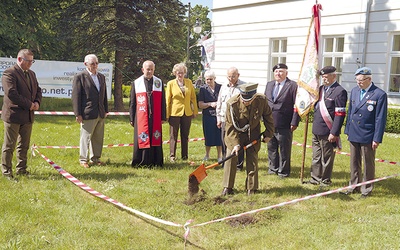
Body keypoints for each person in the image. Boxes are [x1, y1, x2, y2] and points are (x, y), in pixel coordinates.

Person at [342, 67, 387, 197]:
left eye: (361, 80)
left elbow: (380, 118)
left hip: (368, 134)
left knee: (368, 163)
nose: (358, 83)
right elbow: (350, 112)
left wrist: (376, 138)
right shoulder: (355, 91)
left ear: (369, 79)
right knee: (354, 162)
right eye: (357, 80)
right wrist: (348, 130)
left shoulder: (379, 94)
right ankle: (354, 185)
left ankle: (367, 189)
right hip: (354, 132)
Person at [222, 83, 274, 196]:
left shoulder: (262, 100)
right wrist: (235, 144)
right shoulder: (232, 104)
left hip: (253, 134)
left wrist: (268, 133)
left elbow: (268, 117)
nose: (246, 102)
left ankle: (252, 188)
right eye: (244, 99)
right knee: (231, 158)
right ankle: (228, 187)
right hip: (235, 133)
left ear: (254, 96)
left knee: (252, 159)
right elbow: (230, 126)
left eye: (249, 100)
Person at [1, 49, 42, 180]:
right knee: (9, 145)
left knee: (24, 145)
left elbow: (38, 89)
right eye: (28, 61)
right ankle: (6, 171)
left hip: (28, 116)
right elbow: (12, 93)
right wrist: (29, 104)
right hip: (13, 115)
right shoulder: (10, 73)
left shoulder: (32, 74)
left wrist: (37, 102)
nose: (30, 63)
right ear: (19, 59)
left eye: (32, 61)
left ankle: (21, 169)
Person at [307, 66, 348, 186]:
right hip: (316, 129)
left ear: (333, 76)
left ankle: (325, 180)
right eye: (323, 77)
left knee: (327, 157)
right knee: (316, 156)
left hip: (328, 130)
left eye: (326, 77)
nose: (324, 80)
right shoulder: (320, 89)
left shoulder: (340, 91)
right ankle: (315, 178)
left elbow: (340, 114)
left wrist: (334, 132)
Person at [264, 63, 300, 178]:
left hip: (285, 122)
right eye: (276, 72)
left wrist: (294, 121)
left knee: (284, 148)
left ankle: (283, 171)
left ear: (286, 73)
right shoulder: (269, 85)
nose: (278, 74)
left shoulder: (293, 86)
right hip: (270, 122)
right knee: (271, 147)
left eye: (281, 72)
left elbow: (297, 105)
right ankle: (272, 168)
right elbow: (266, 102)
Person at [72, 54, 108, 168]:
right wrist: (78, 114)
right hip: (87, 113)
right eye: (92, 63)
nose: (95, 66)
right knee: (86, 137)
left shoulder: (101, 77)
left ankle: (96, 158)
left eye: (96, 63)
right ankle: (83, 159)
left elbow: (104, 95)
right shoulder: (80, 77)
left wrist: (105, 110)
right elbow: (76, 97)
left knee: (98, 137)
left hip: (100, 112)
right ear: (85, 64)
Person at [129, 60, 166, 167]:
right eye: (147, 69)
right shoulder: (136, 83)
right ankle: (141, 161)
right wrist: (132, 118)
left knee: (155, 137)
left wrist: (163, 116)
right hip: (141, 117)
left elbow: (163, 101)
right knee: (142, 137)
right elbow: (132, 102)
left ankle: (156, 161)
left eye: (151, 69)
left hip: (155, 116)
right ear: (142, 70)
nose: (149, 71)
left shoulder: (158, 83)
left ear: (154, 70)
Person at [165, 63, 198, 162]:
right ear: (175, 73)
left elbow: (193, 98)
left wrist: (194, 110)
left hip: (187, 113)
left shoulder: (189, 82)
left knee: (185, 135)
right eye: (179, 73)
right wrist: (167, 114)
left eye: (182, 73)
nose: (180, 75)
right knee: (173, 135)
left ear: (185, 73)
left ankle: (185, 156)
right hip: (174, 113)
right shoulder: (171, 83)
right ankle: (172, 156)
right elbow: (168, 100)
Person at [216, 67, 245, 170]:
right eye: (229, 76)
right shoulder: (224, 86)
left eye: (233, 76)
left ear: (238, 75)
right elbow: (219, 102)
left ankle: (238, 165)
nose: (231, 78)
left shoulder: (243, 86)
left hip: (238, 120)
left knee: (238, 141)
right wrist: (218, 118)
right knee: (225, 141)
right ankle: (226, 162)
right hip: (225, 119)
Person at [197, 70, 223, 161]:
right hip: (207, 116)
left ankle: (219, 156)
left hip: (219, 115)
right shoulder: (203, 89)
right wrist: (210, 104)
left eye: (210, 79)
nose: (208, 81)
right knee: (208, 136)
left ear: (214, 79)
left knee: (219, 136)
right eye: (207, 79)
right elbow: (200, 105)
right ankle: (207, 155)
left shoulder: (220, 87)